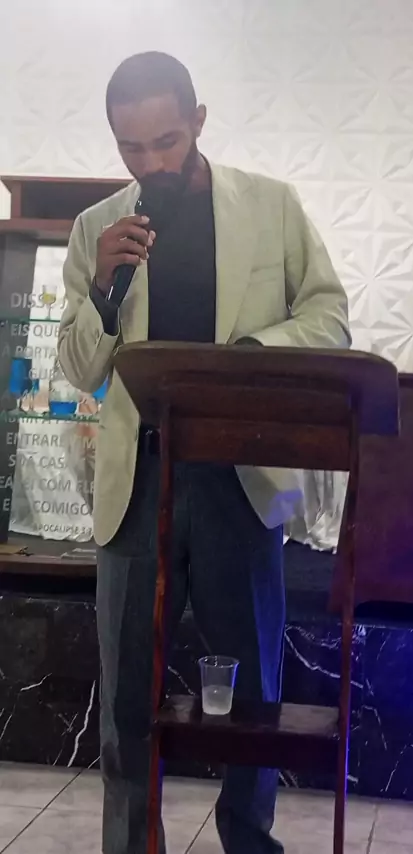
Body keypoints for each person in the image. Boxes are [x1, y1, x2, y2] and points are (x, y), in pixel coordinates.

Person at [58, 51, 350, 854]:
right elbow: (78, 369)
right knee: (127, 698)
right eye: (131, 148)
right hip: (137, 482)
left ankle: (248, 841)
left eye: (168, 141)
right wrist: (103, 290)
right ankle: (131, 845)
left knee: (253, 693)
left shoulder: (270, 207)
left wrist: (248, 358)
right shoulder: (96, 228)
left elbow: (329, 315)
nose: (151, 163)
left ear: (199, 121)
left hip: (240, 478)